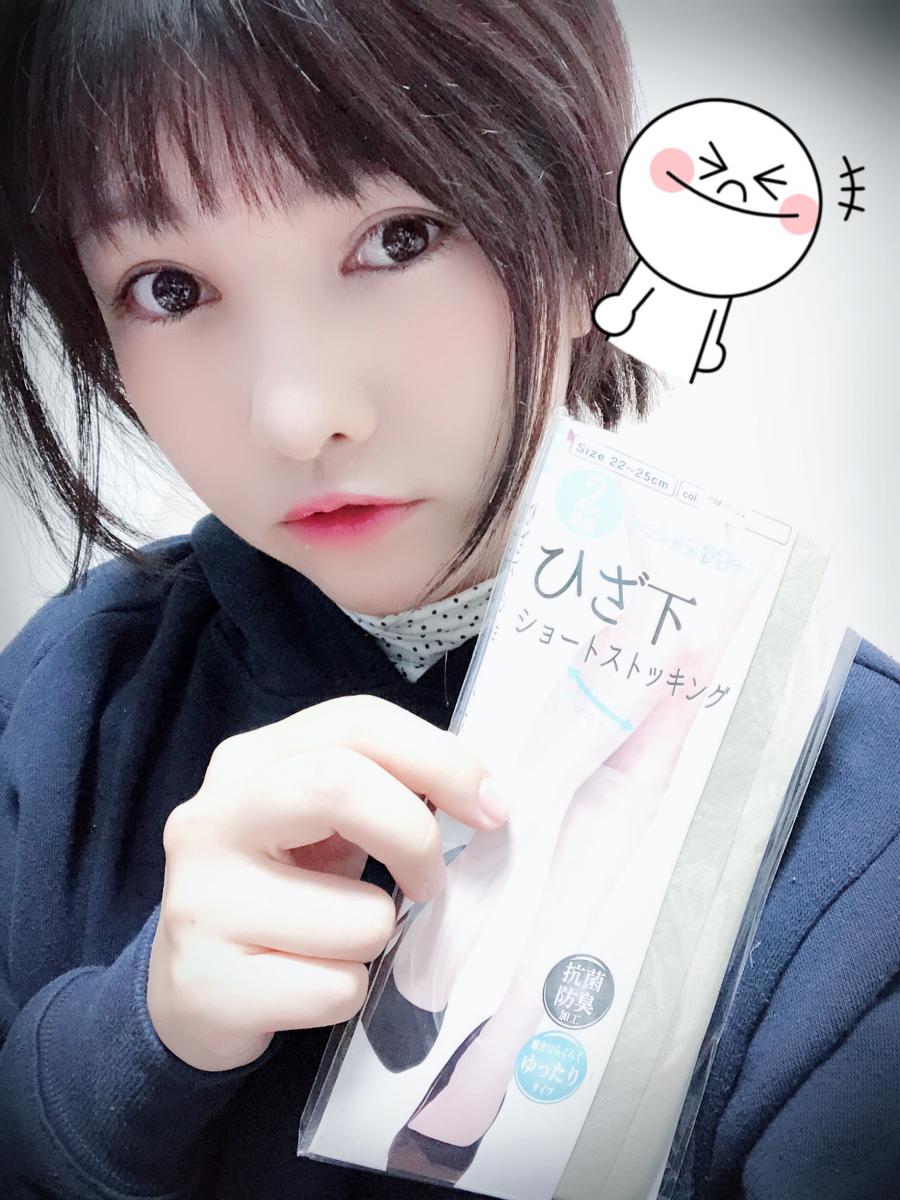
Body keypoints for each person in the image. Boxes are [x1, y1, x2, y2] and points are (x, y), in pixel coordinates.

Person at [0, 3, 896, 1200]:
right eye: (170, 287)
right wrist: (124, 1053)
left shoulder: (857, 821)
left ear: (592, 232)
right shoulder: (74, 695)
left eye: (400, 238)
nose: (298, 416)